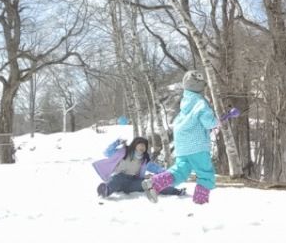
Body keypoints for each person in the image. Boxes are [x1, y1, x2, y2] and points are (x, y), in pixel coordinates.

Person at [141, 70, 218, 205]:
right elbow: (208, 122)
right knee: (206, 174)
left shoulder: (185, 101)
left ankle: (155, 182)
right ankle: (201, 203)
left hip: (182, 145)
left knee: (181, 171)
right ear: (200, 87)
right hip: (197, 145)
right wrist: (216, 121)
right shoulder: (201, 102)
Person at [93, 136, 185, 198]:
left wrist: (168, 173)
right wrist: (117, 142)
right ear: (135, 144)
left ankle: (176, 191)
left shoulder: (144, 160)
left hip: (133, 182)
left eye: (145, 146)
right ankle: (106, 190)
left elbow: (156, 168)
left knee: (151, 183)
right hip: (119, 180)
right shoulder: (123, 152)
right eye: (140, 144)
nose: (143, 147)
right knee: (117, 179)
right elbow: (107, 152)